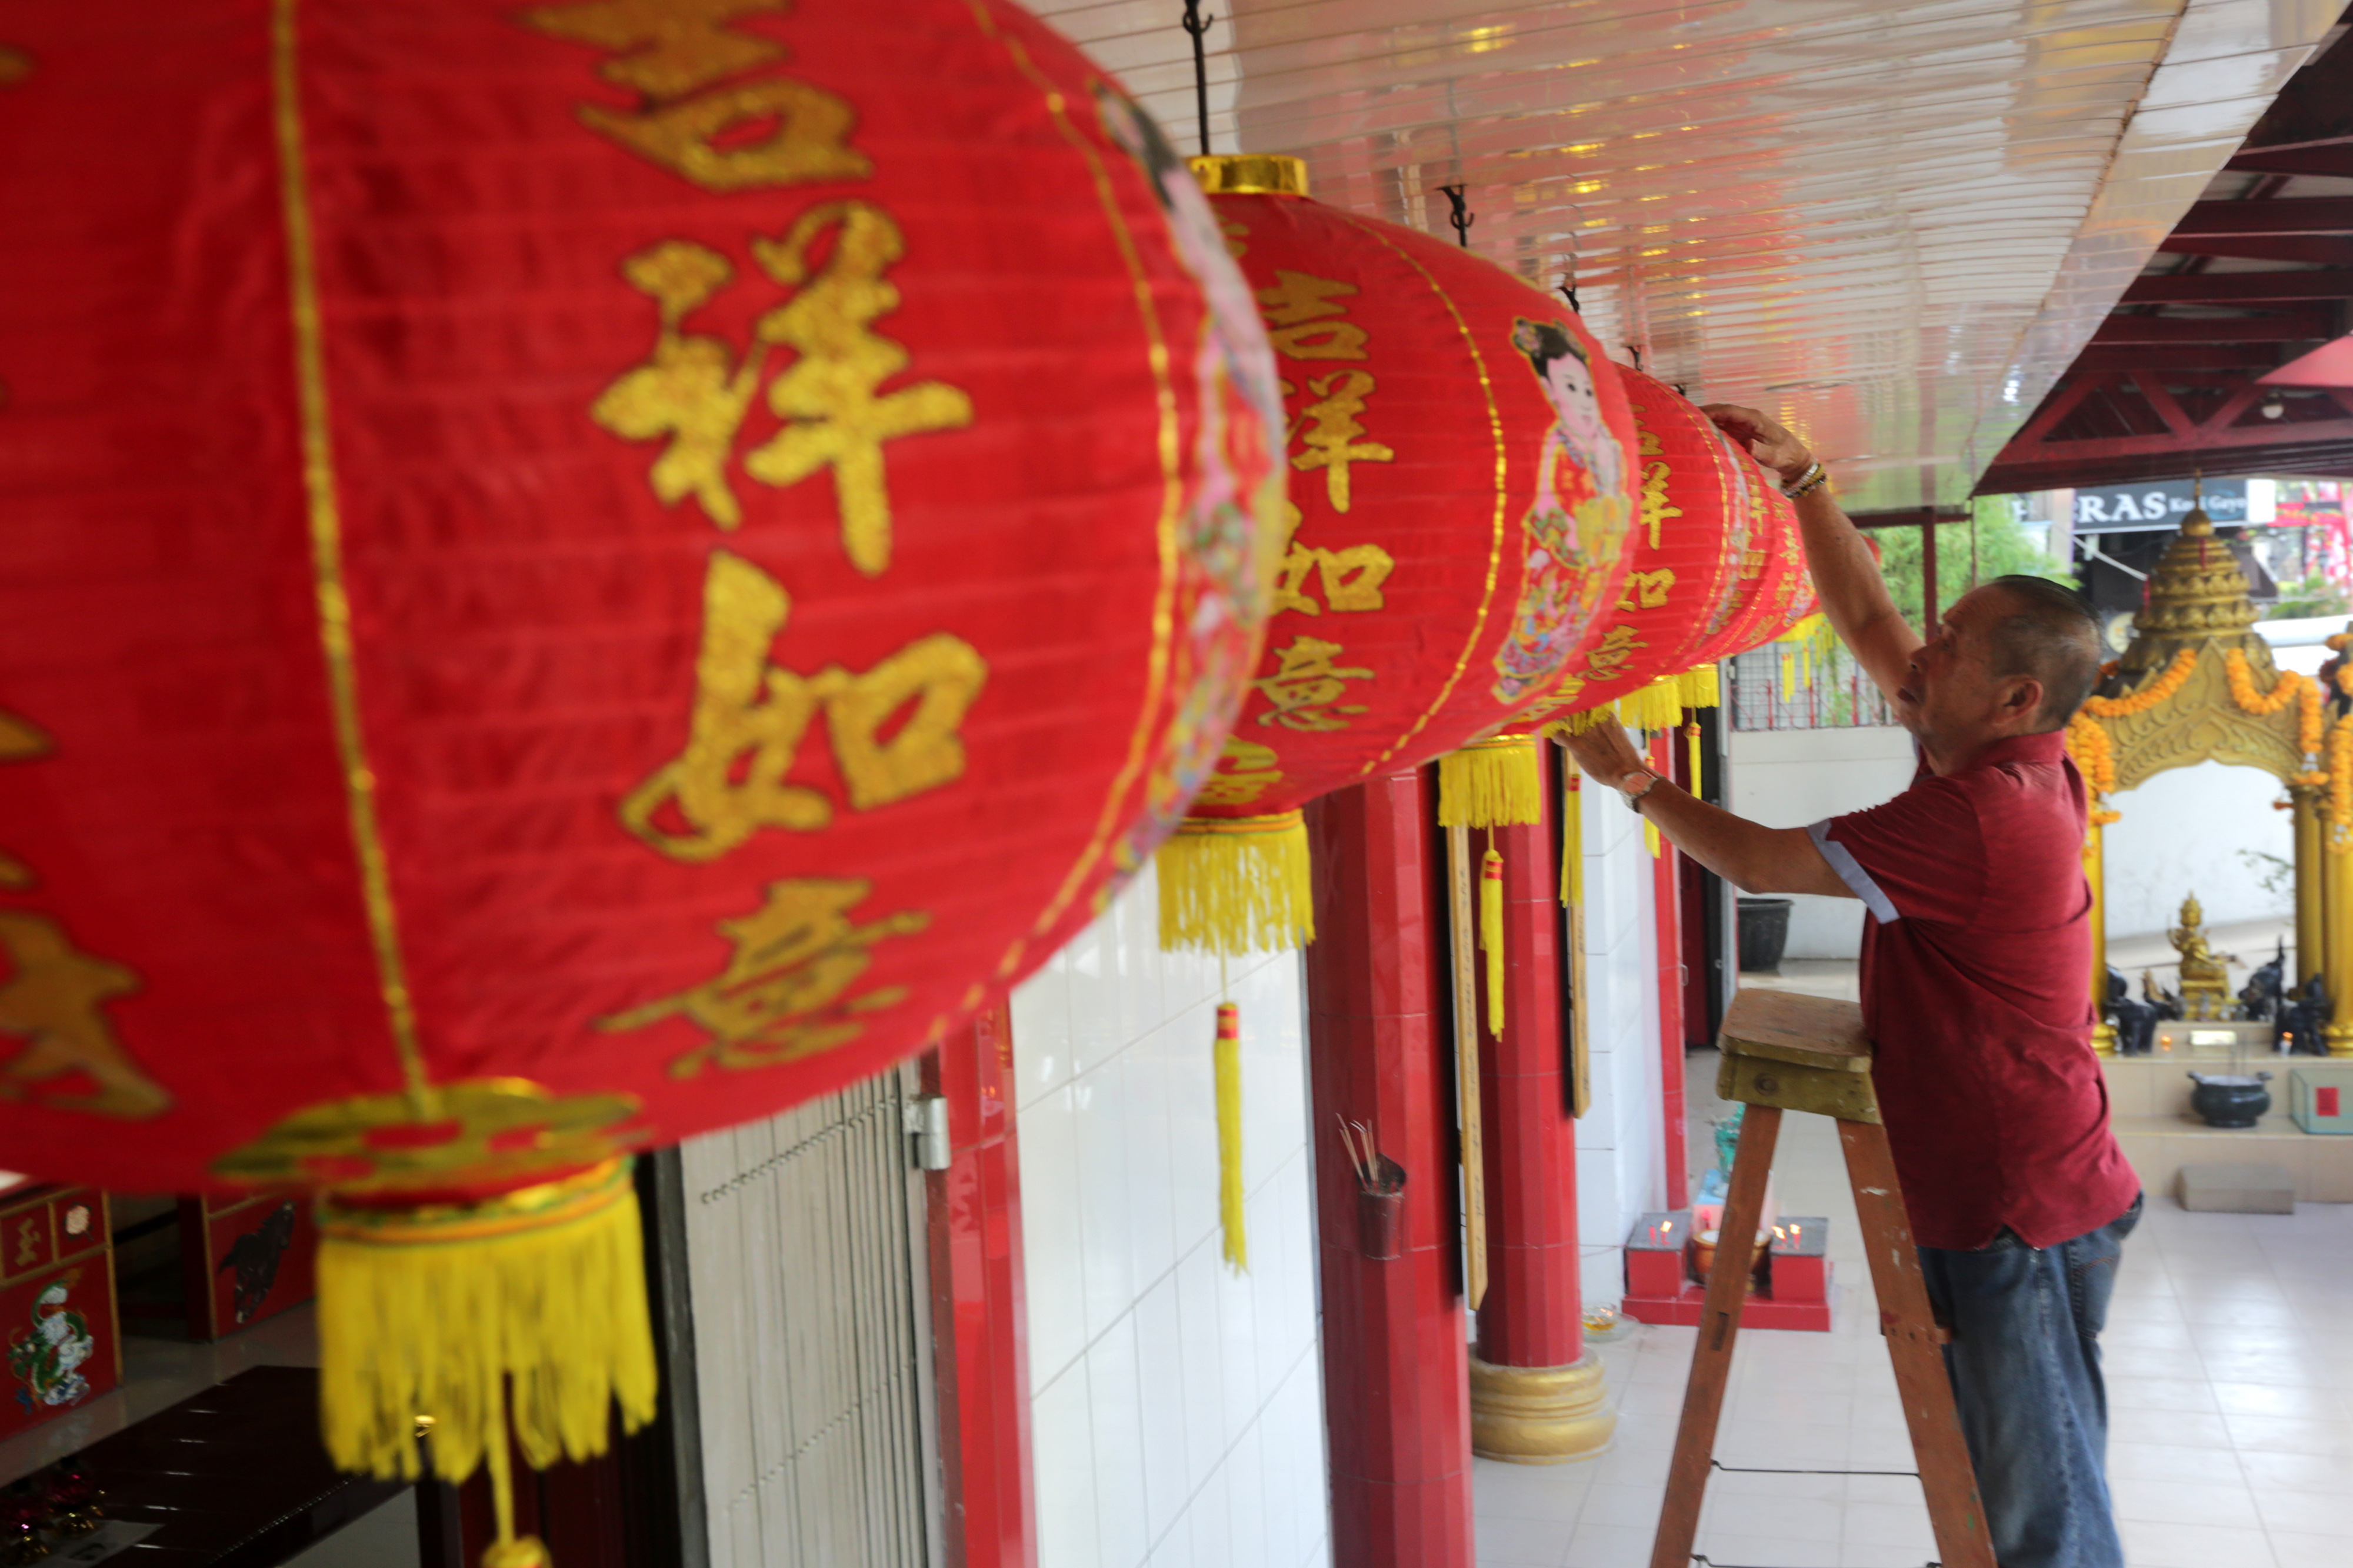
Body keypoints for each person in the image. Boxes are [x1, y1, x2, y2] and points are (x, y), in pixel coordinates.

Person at [1561, 403, 2142, 1568]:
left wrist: (1629, 777)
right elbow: (1868, 619)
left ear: (2017, 697)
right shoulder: (1995, 751)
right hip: (2027, 1177)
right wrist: (1805, 480)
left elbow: (1758, 860)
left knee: (2044, 1522)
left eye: (1952, 645)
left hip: (2016, 1201)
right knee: (2016, 1481)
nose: (1920, 654)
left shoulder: (1984, 814)